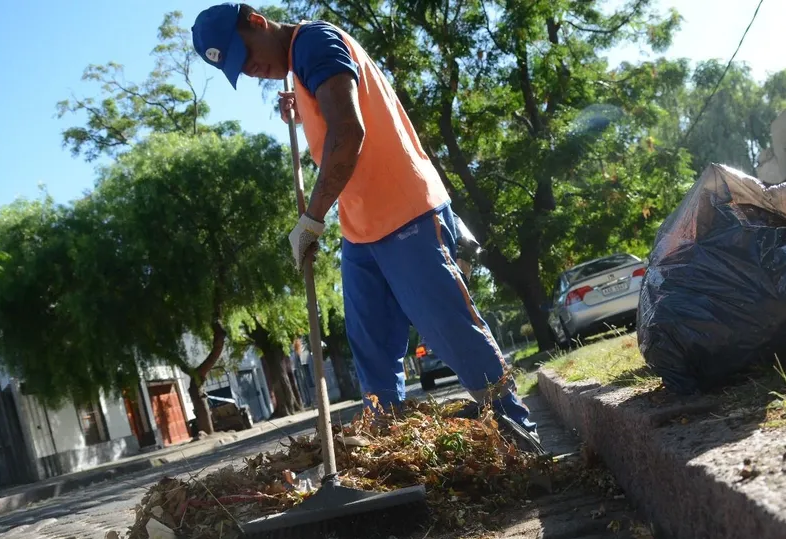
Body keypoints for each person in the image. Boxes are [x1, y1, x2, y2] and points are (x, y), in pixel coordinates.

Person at [191, 3, 540, 449]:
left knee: (448, 328)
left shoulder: (314, 41)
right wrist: (302, 107)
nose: (255, 70)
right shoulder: (301, 67)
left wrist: (311, 218)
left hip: (405, 209)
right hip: (361, 230)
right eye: (243, 71)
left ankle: (521, 438)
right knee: (373, 355)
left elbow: (349, 131)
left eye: (248, 55)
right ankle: (393, 451)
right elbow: (330, 109)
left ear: (256, 22)